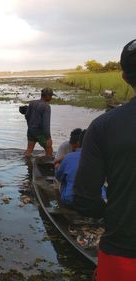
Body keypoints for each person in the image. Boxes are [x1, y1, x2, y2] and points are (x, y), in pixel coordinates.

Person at [73, 39, 136, 280]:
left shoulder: (103, 126)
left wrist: (115, 213)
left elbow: (85, 200)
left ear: (124, 77)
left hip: (124, 253)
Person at [55, 130, 86, 206]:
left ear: (78, 143)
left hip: (71, 200)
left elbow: (59, 177)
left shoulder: (69, 157)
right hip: (95, 201)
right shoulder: (97, 157)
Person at [24, 87, 56, 157]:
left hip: (31, 131)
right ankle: (47, 166)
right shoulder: (46, 107)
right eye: (50, 96)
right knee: (49, 149)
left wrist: (30, 127)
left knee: (29, 150)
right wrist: (48, 138)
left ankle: (28, 165)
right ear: (47, 96)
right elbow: (46, 124)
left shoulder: (32, 103)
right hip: (40, 133)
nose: (51, 97)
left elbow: (26, 116)